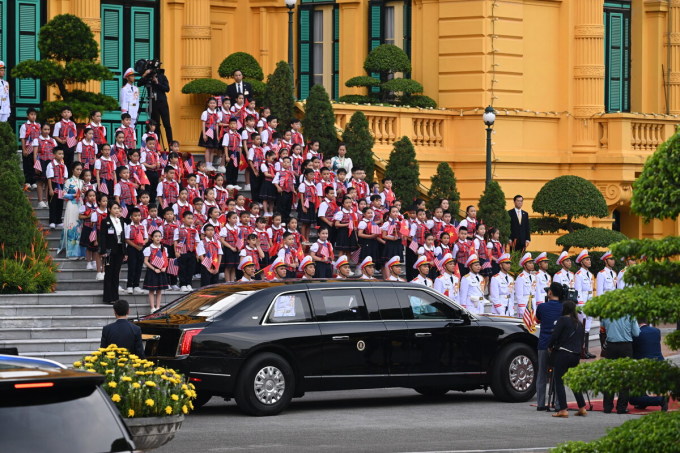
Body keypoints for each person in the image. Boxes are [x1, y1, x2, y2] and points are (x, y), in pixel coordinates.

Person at [548, 300, 588, 418]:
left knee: (559, 381)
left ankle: (563, 409)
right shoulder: (579, 323)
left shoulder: (563, 320)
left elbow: (555, 335)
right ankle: (582, 407)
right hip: (575, 355)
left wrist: (550, 346)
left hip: (563, 354)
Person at [601, 315, 640, 414]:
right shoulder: (630, 316)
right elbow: (636, 333)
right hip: (625, 347)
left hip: (611, 346)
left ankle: (607, 406)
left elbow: (602, 330)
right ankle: (621, 407)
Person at [535, 282, 565, 411]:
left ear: (550, 293)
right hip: (559, 345)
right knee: (558, 376)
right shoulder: (564, 307)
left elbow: (537, 320)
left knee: (542, 374)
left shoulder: (542, 307)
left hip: (544, 343)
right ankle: (559, 404)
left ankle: (540, 403)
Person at [629, 320, 668, 411]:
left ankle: (660, 400)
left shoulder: (635, 334)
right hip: (660, 363)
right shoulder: (656, 331)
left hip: (644, 366)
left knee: (632, 399)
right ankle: (643, 402)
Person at [100, 202, 127, 304]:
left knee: (116, 273)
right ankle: (108, 297)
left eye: (118, 208)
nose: (116, 210)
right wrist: (103, 251)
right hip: (109, 251)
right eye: (114, 208)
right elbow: (102, 237)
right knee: (109, 273)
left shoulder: (120, 220)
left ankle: (115, 297)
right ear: (109, 209)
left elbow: (123, 237)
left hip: (119, 250)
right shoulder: (105, 221)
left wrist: (125, 252)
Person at [59, 162, 84, 259]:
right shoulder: (68, 181)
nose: (79, 171)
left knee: (79, 228)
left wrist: (83, 193)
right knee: (72, 226)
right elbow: (63, 194)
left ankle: (80, 252)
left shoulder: (81, 182)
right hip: (72, 205)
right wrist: (74, 195)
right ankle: (72, 253)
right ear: (73, 170)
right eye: (77, 169)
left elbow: (83, 195)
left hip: (80, 205)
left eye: (80, 170)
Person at [574, 249, 595, 358]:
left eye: (589, 259)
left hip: (589, 303)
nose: (589, 261)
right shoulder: (579, 274)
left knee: (587, 328)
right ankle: (581, 350)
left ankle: (586, 350)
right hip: (582, 304)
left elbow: (590, 291)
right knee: (582, 327)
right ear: (581, 262)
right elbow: (578, 290)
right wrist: (581, 305)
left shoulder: (590, 274)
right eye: (587, 260)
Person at [142, 230, 169, 312]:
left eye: (159, 236)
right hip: (152, 270)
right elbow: (146, 261)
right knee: (151, 290)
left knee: (159, 290)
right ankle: (152, 307)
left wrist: (165, 267)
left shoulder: (164, 248)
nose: (158, 238)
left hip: (161, 270)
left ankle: (158, 307)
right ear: (152, 238)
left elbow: (166, 260)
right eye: (156, 236)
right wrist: (154, 269)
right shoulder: (148, 248)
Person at [147, 67, 173, 143]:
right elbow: (139, 83)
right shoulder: (148, 77)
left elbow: (167, 89)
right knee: (155, 126)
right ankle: (156, 146)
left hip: (162, 103)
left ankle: (171, 146)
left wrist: (157, 83)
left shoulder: (162, 76)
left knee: (167, 124)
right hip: (153, 104)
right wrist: (145, 74)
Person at [514, 252, 536, 318]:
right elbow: (519, 295)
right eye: (529, 263)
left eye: (532, 263)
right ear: (524, 265)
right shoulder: (521, 277)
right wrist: (522, 309)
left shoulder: (533, 277)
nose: (532, 265)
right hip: (525, 304)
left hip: (533, 303)